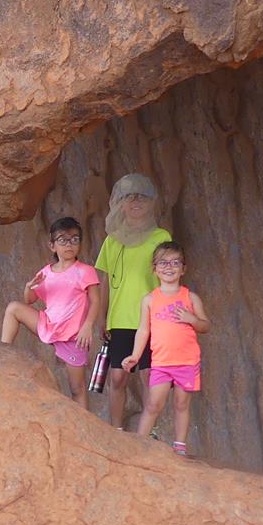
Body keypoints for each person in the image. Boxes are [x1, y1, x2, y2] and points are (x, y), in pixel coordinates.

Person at [93, 174, 172, 429]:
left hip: (152, 319)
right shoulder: (112, 240)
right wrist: (103, 317)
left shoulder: (160, 236)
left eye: (142, 196)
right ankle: (116, 431)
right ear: (119, 203)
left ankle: (149, 432)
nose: (135, 201)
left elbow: (168, 278)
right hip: (120, 319)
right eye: (129, 196)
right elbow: (105, 281)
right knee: (117, 378)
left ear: (152, 203)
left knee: (151, 376)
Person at [121, 241, 210, 456]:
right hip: (161, 362)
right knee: (153, 403)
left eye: (175, 262)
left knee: (181, 403)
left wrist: (192, 319)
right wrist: (135, 355)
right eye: (163, 263)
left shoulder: (190, 298)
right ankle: (139, 446)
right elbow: (143, 330)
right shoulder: (150, 299)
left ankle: (179, 446)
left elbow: (206, 325)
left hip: (187, 361)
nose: (169, 267)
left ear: (183, 268)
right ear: (154, 268)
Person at [0, 217, 101, 405]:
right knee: (14, 308)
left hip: (73, 335)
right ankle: (2, 351)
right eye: (62, 240)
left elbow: (95, 301)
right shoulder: (46, 271)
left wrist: (88, 326)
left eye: (74, 239)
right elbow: (28, 301)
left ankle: (82, 430)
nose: (69, 244)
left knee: (76, 388)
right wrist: (28, 286)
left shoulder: (85, 271)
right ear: (52, 245)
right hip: (48, 324)